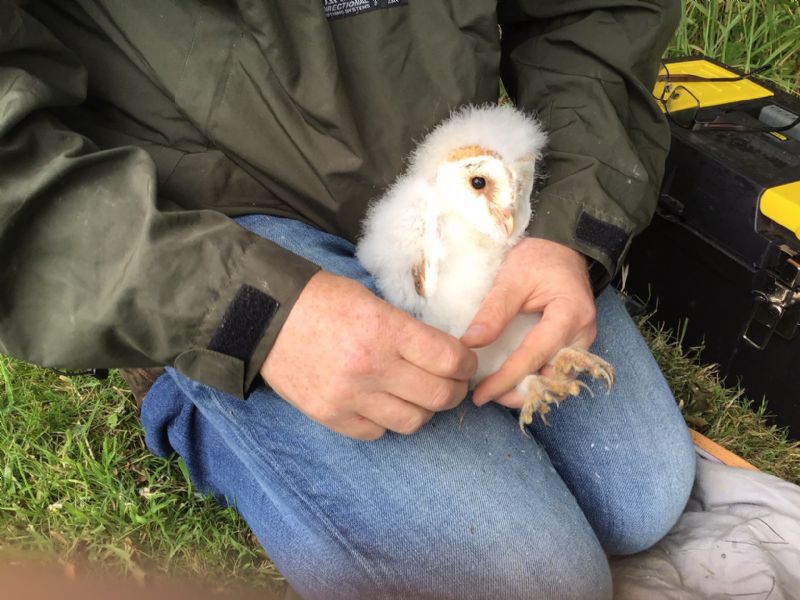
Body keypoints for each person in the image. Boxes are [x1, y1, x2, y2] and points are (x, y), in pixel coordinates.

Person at [0, 1, 695, 598]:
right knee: (532, 581)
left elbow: (593, 16)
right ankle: (202, 381)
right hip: (211, 217)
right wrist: (237, 311)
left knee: (642, 494)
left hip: (444, 168)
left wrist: (569, 230)